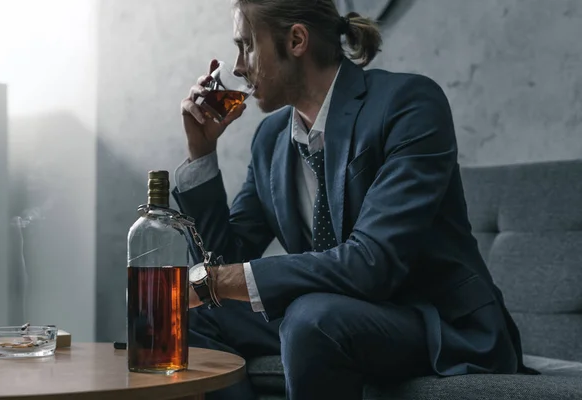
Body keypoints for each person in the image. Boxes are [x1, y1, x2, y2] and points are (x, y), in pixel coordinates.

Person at [173, 1, 529, 399]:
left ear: (296, 40)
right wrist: (201, 156)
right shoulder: (271, 139)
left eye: (247, 45)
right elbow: (223, 264)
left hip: (432, 321)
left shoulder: (409, 104)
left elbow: (371, 263)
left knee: (313, 319)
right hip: (329, 317)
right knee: (186, 314)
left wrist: (217, 282)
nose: (238, 67)